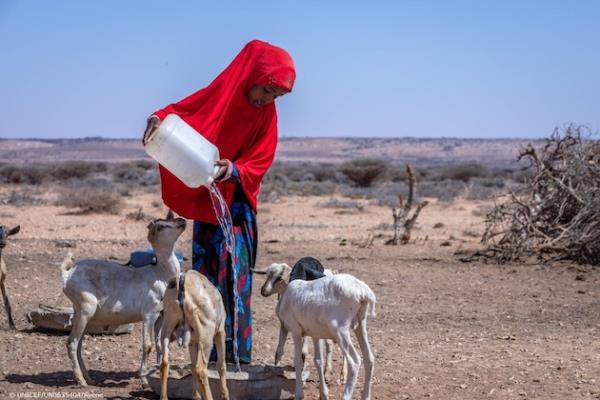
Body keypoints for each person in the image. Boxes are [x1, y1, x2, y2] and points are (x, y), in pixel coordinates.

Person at [143, 40, 295, 364]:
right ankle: (206, 361)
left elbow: (262, 159)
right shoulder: (221, 94)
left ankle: (239, 359)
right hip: (209, 208)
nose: (267, 100)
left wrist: (235, 169)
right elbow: (182, 113)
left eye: (275, 96)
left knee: (236, 288)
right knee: (203, 285)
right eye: (266, 91)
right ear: (253, 75)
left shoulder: (266, 114)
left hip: (237, 213)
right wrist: (157, 119)